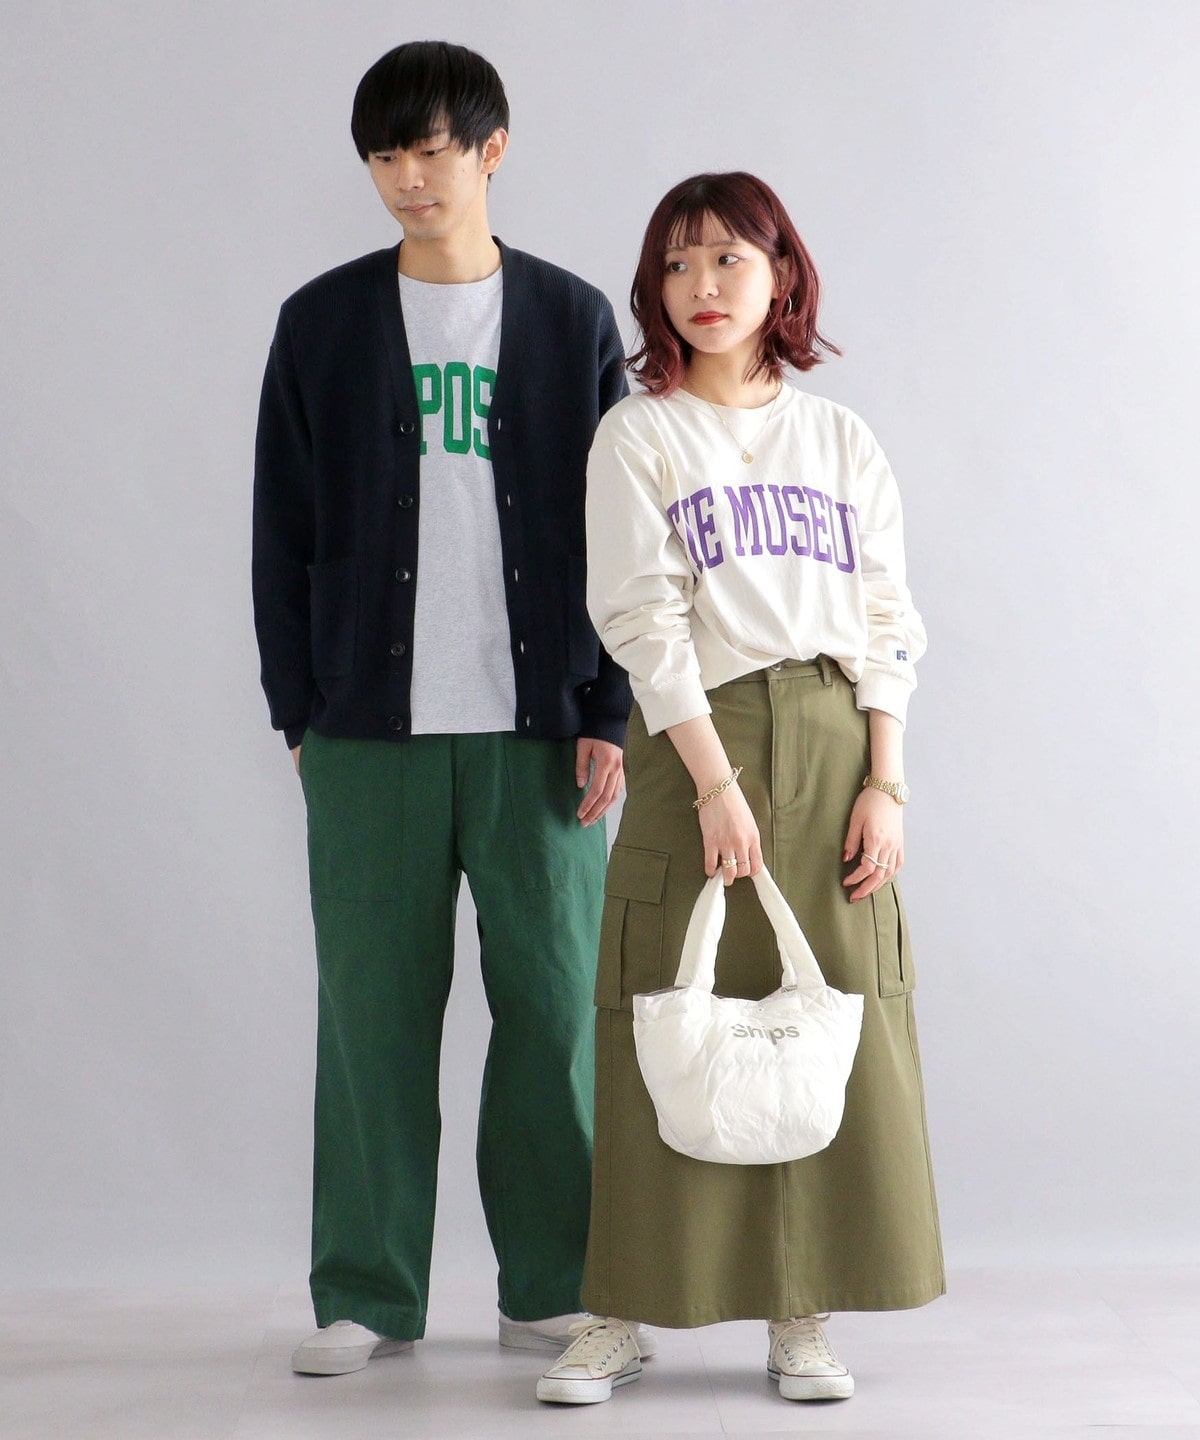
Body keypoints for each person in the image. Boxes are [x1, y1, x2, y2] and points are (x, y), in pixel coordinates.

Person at [252, 40, 640, 1376]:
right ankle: (366, 1290)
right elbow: (281, 528)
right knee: (370, 1015)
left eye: (431, 150)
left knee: (556, 1015)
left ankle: (555, 1284)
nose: (409, 179)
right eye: (384, 156)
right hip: (368, 734)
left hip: (542, 733)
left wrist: (608, 711)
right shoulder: (320, 323)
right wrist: (297, 711)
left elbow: (621, 540)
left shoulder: (572, 321)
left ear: (492, 149)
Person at [535, 172, 944, 1406]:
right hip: (694, 737)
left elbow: (887, 617)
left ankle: (801, 1314)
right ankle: (619, 1311)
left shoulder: (840, 439)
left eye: (728, 259)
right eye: (676, 264)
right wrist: (713, 783)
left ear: (782, 276)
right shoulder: (640, 434)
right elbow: (641, 619)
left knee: (823, 1012)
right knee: (671, 1002)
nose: (701, 286)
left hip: (833, 736)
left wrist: (887, 782)